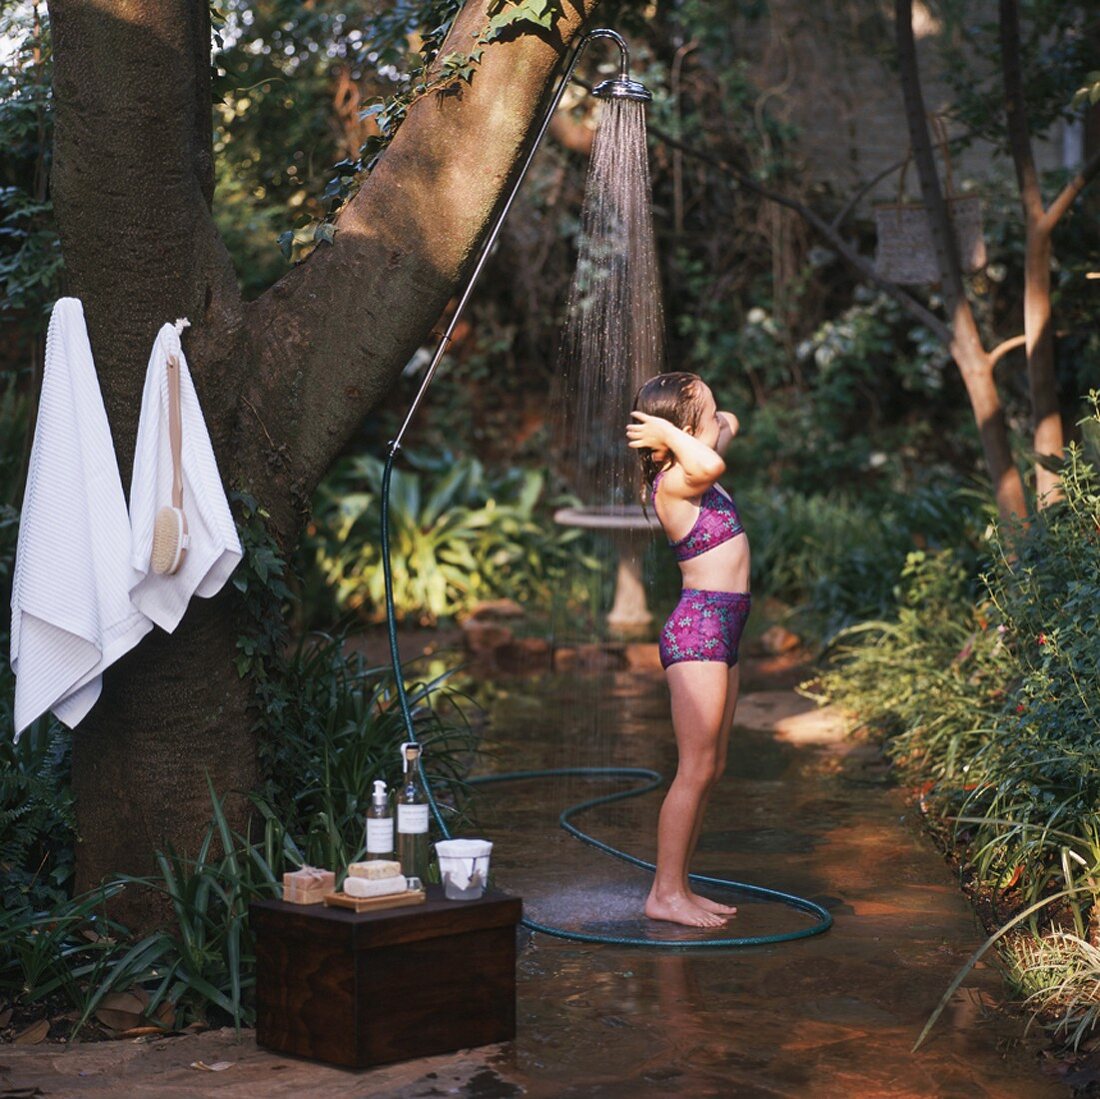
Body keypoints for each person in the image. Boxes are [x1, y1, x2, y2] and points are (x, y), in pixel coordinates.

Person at [626, 371, 750, 928]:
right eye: (704, 407)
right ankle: (664, 894)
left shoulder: (695, 459)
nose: (716, 413)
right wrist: (666, 434)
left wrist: (691, 425)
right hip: (698, 630)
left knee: (714, 766)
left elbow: (730, 425)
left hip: (726, 629)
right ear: (675, 433)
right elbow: (712, 460)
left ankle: (680, 887)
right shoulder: (678, 481)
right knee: (694, 767)